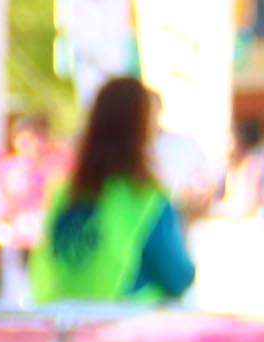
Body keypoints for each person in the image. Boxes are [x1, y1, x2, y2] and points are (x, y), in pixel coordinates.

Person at [31, 74, 197, 307]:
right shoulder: (145, 198)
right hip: (123, 328)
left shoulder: (63, 193)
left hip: (62, 325)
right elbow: (178, 276)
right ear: (142, 128)